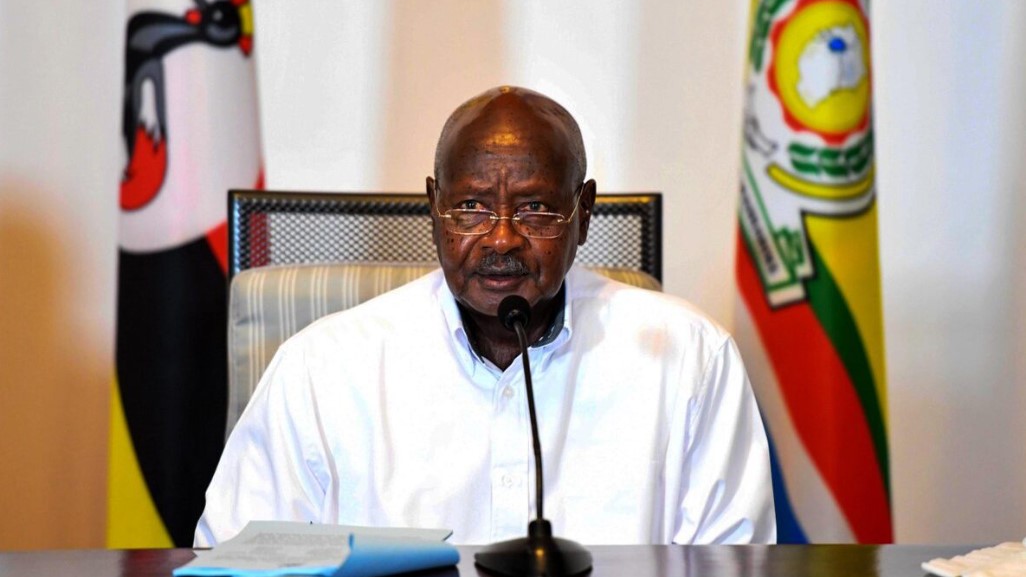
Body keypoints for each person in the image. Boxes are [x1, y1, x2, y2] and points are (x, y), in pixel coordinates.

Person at [194, 86, 775, 546]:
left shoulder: (691, 360)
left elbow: (735, 563)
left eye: (536, 209)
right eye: (471, 206)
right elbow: (240, 559)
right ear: (434, 208)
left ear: (585, 212)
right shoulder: (323, 370)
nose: (501, 238)